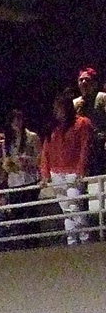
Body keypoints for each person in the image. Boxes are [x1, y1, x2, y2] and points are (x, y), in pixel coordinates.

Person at [40, 93, 94, 245]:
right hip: (56, 172)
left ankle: (85, 240)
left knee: (75, 206)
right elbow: (46, 151)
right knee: (66, 211)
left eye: (59, 108)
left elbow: (85, 147)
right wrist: (45, 174)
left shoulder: (82, 123)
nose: (57, 111)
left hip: (73, 171)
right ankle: (72, 241)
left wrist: (81, 170)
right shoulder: (53, 128)